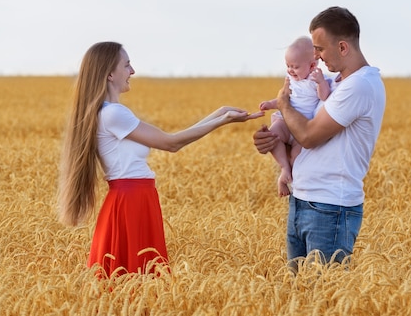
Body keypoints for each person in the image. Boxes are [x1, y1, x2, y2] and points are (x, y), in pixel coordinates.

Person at [58, 41, 263, 277]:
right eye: (127, 65)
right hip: (131, 202)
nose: (132, 72)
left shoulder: (108, 113)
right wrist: (221, 121)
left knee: (133, 280)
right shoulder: (114, 114)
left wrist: (218, 114)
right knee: (136, 280)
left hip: (134, 198)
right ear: (110, 74)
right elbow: (171, 143)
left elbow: (173, 139)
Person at [253, 6, 386, 270]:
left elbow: (310, 136)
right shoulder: (333, 83)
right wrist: (273, 140)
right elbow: (300, 136)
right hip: (302, 200)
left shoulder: (359, 86)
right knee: (301, 297)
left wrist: (283, 104)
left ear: (343, 47)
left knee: (324, 298)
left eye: (320, 49)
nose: (316, 56)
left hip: (330, 209)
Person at [258, 36, 331, 197]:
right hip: (285, 122)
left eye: (295, 66)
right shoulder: (290, 80)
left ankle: (289, 176)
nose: (290, 70)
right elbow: (283, 100)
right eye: (288, 66)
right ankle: (284, 168)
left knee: (298, 157)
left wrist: (320, 83)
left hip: (302, 128)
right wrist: (270, 104)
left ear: (312, 65)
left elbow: (324, 96)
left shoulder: (316, 79)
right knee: (273, 135)